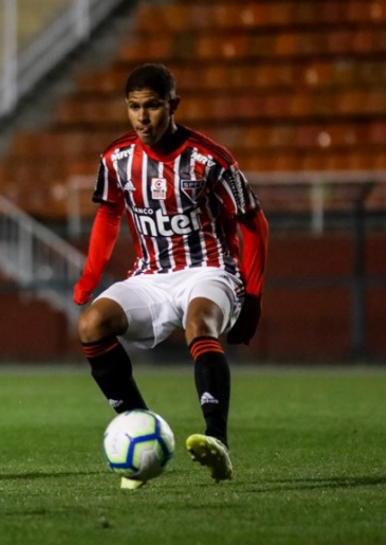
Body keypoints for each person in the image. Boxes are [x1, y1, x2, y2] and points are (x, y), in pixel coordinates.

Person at [73, 63, 268, 488]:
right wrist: (90, 278)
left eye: (153, 107)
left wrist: (252, 298)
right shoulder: (116, 158)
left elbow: (255, 223)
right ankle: (139, 432)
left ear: (173, 106)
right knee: (91, 324)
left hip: (210, 270)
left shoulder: (210, 160)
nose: (143, 118)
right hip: (152, 275)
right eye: (134, 108)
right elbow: (109, 215)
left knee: (199, 323)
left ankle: (217, 439)